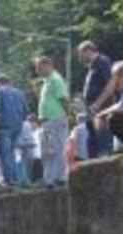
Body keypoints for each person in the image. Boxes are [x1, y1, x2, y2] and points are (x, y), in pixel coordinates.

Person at [35, 56, 70, 188]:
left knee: (56, 149)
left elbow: (63, 99)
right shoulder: (47, 81)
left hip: (56, 119)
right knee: (48, 151)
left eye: (40, 68)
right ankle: (50, 178)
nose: (38, 71)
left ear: (48, 65)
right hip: (48, 121)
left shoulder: (56, 79)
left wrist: (68, 115)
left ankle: (58, 178)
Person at [0, 74, 29, 186]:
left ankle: (9, 179)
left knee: (5, 153)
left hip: (4, 126)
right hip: (17, 126)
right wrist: (19, 121)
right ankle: (16, 178)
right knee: (13, 152)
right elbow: (26, 110)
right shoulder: (19, 93)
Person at [77, 41, 115, 157]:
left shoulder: (102, 61)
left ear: (88, 50)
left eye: (81, 54)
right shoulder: (92, 66)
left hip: (102, 108)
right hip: (91, 109)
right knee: (92, 139)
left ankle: (105, 162)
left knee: (102, 137)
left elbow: (111, 83)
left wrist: (98, 103)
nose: (80, 58)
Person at [17, 115, 39, 187]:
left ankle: (26, 181)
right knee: (25, 167)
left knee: (27, 167)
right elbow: (24, 139)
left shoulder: (23, 125)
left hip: (27, 149)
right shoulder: (26, 125)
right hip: (26, 149)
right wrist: (30, 144)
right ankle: (25, 182)